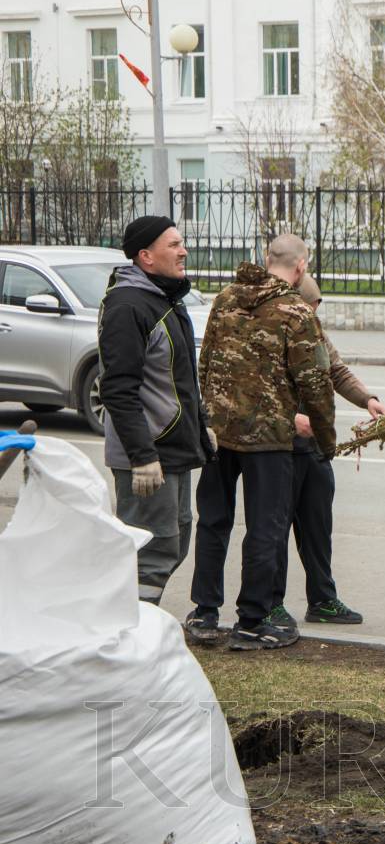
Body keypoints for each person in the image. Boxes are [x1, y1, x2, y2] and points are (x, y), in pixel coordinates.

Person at [185, 235, 336, 651]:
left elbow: (206, 362)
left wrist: (211, 416)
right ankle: (251, 621)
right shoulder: (296, 311)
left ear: (268, 259)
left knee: (213, 522)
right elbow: (315, 383)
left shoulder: (225, 299)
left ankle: (204, 612)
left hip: (220, 433)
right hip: (269, 439)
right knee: (265, 528)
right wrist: (325, 439)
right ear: (301, 267)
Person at [98, 216, 216, 604]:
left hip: (172, 450)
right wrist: (142, 456)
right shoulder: (128, 306)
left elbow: (180, 381)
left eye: (182, 243)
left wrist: (201, 427)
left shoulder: (164, 300)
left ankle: (138, 620)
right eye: (174, 245)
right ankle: (130, 626)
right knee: (150, 554)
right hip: (148, 455)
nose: (184, 251)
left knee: (173, 542)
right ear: (146, 256)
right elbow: (118, 389)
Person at [265, 274, 385, 629]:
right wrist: (291, 418)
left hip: (315, 448)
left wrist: (367, 399)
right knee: (275, 531)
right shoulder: (273, 333)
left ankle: (322, 599)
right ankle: (271, 604)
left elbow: (337, 371)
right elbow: (260, 389)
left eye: (316, 309)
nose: (312, 315)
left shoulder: (316, 333)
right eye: (308, 308)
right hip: (281, 448)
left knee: (318, 530)